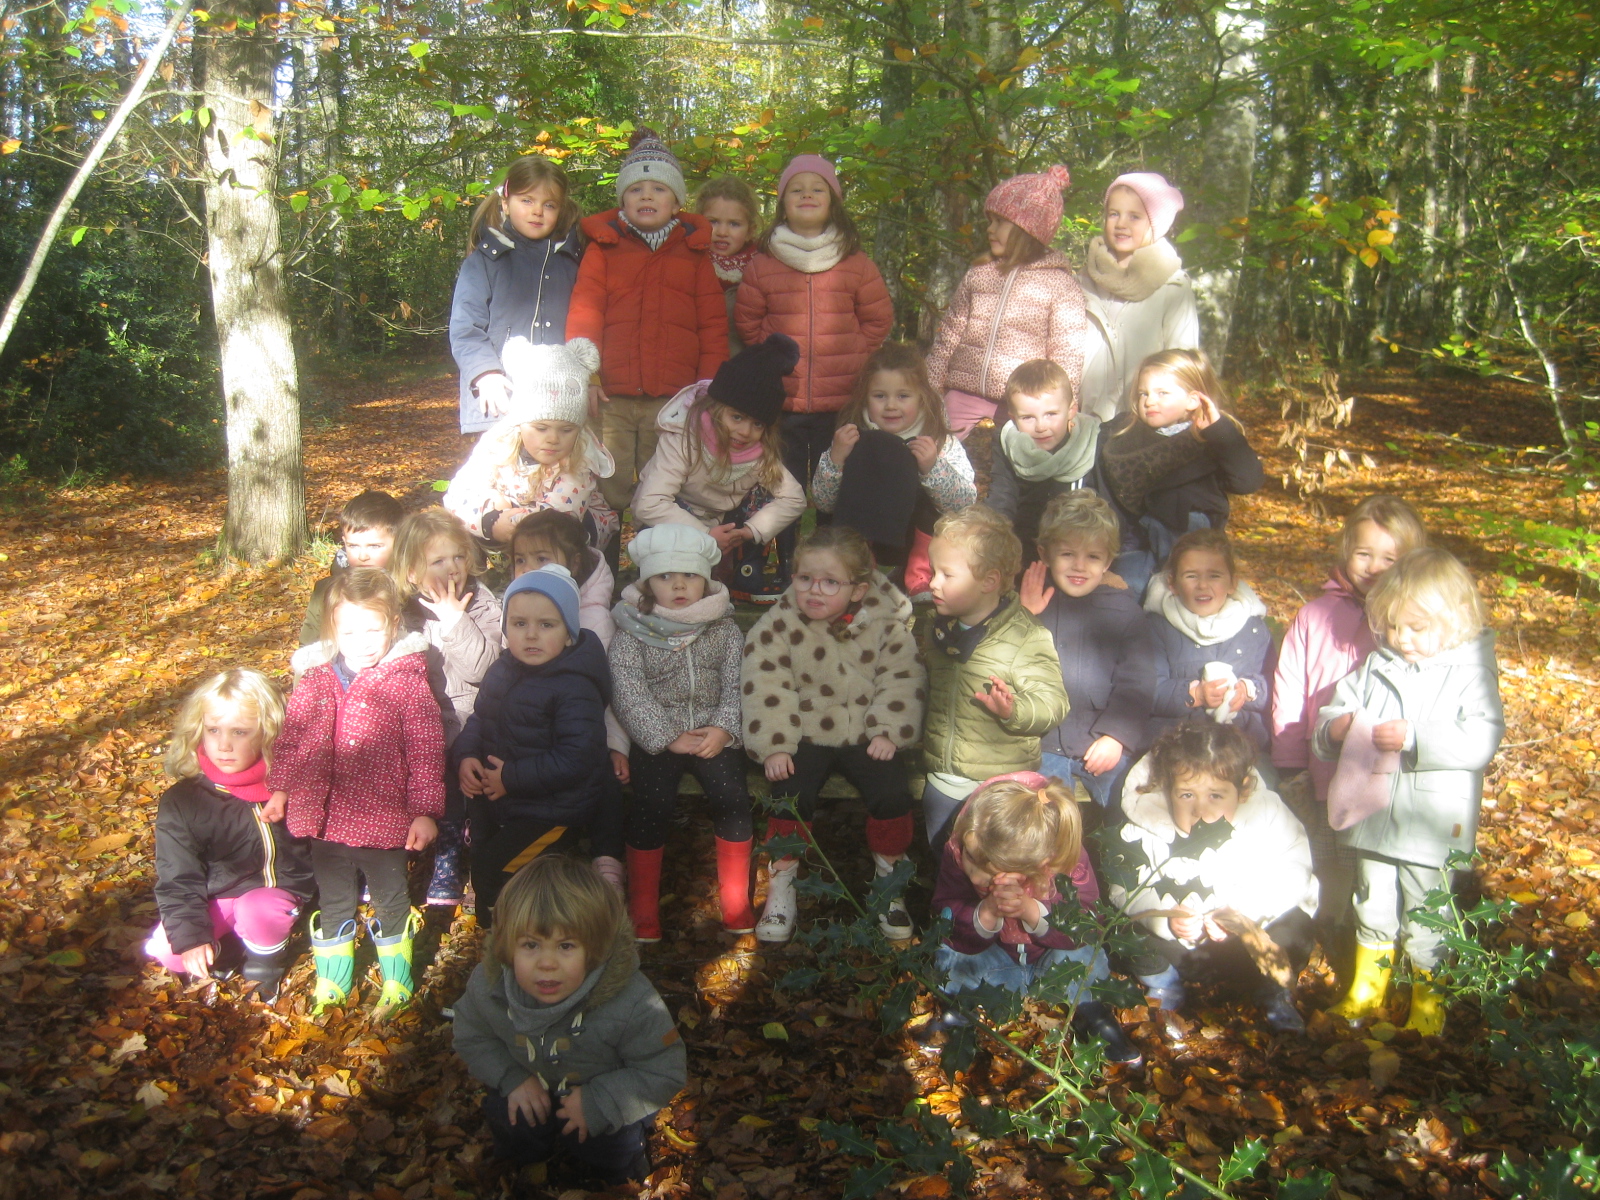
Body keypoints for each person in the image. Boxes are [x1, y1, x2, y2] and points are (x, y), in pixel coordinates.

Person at [1315, 548, 1504, 1036]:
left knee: (1427, 909)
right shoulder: (1379, 664)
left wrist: (1416, 736)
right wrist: (1335, 729)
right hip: (1375, 810)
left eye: (1416, 628)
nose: (1402, 639)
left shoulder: (1469, 670)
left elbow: (1481, 737)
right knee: (1371, 897)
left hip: (1431, 820)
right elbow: (1336, 709)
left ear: (1454, 618)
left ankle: (1427, 998)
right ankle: (1368, 987)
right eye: (1394, 627)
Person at [269, 568, 445, 1017]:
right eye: (349, 631)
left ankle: (397, 979)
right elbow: (292, 738)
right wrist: (282, 787)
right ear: (332, 629)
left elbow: (425, 749)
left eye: (373, 629)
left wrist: (425, 810)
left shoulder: (406, 680)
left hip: (383, 819)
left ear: (393, 625)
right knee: (334, 897)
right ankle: (333, 979)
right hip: (325, 817)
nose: (362, 642)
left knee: (390, 896)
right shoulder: (316, 678)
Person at [452, 855, 686, 1187]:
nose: (547, 963)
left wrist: (600, 1102)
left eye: (565, 946)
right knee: (512, 1119)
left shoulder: (630, 999)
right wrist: (511, 1077)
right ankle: (523, 1166)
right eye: (531, 945)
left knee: (609, 1149)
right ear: (507, 945)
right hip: (530, 1084)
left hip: (606, 1095)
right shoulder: (489, 986)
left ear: (594, 949)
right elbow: (472, 1034)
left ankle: (619, 1175)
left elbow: (664, 1069)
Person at [741, 526, 924, 944]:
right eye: (804, 578)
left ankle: (890, 885)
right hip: (804, 733)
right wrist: (775, 745)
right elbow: (765, 683)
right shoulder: (779, 624)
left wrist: (888, 731)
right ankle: (783, 883)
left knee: (891, 791)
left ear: (858, 590)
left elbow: (901, 677)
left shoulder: (885, 623)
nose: (813, 590)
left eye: (829, 582)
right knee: (790, 792)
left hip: (867, 732)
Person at [1272, 496, 1427, 940]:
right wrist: (1289, 758)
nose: (1374, 567)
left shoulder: (1413, 623)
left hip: (1387, 772)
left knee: (1378, 863)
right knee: (1328, 856)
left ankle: (1381, 934)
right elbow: (1289, 689)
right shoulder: (1315, 616)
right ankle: (1329, 928)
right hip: (1325, 766)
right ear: (1346, 552)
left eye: (1389, 558)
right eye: (1364, 554)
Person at [734, 154, 894, 568]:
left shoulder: (854, 262)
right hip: (783, 403)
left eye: (817, 188)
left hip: (839, 403)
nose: (807, 195)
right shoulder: (764, 262)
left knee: (832, 488)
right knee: (781, 487)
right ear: (782, 202)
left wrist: (855, 355)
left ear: (833, 200)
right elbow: (748, 320)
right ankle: (784, 567)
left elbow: (878, 319)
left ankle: (830, 566)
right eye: (796, 189)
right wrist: (773, 360)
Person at [1108, 723, 1319, 1034]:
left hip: (1245, 949)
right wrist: (1165, 918)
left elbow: (1294, 869)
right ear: (1167, 787)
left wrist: (1245, 914)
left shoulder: (1267, 813)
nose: (1200, 809)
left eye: (1216, 795)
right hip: (1179, 949)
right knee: (1118, 927)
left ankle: (1271, 993)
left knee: (1296, 925)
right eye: (1186, 794)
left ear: (1243, 789)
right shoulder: (1146, 819)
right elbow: (1123, 885)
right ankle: (1164, 984)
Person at [566, 127, 729, 525]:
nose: (647, 197)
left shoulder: (694, 255)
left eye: (658, 189)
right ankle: (603, 557)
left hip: (672, 400)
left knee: (661, 488)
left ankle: (652, 558)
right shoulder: (604, 249)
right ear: (622, 199)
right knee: (608, 484)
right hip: (612, 397)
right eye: (636, 189)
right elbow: (586, 312)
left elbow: (712, 325)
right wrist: (588, 375)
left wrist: (707, 385)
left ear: (676, 202)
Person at [931, 772, 1141, 1063]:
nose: (976, 876)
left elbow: (1087, 925)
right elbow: (945, 915)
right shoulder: (962, 844)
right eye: (970, 858)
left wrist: (1033, 912)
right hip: (996, 965)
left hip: (1055, 967)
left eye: (991, 873)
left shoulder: (1065, 861)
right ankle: (963, 1008)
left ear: (1038, 865)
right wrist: (985, 913)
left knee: (1084, 953)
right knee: (950, 953)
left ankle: (1090, 1010)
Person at [609, 524, 753, 941]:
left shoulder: (723, 628)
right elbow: (627, 690)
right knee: (650, 803)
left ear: (705, 580)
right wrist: (667, 735)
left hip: (712, 731)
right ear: (647, 583)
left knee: (732, 799)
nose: (678, 585)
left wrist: (724, 729)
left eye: (689, 575)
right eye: (665, 576)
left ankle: (736, 900)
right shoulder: (634, 629)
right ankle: (642, 906)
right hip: (659, 734)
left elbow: (738, 682)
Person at [455, 566, 611, 927]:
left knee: (496, 872)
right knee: (486, 864)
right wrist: (466, 756)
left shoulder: (574, 686)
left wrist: (511, 778)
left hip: (553, 811)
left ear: (569, 634)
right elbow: (481, 718)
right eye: (519, 623)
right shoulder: (503, 669)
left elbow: (578, 757)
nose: (531, 634)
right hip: (502, 801)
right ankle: (498, 938)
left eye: (546, 625)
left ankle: (513, 939)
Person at [146, 669, 313, 1003]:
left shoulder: (294, 784)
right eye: (213, 730)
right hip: (219, 896)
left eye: (239, 731)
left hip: (278, 892)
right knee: (169, 951)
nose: (223, 745)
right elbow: (177, 874)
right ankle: (229, 949)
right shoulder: (184, 800)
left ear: (268, 732)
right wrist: (192, 937)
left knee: (259, 907)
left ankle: (264, 967)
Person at [921, 505, 1069, 851]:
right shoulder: (937, 629)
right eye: (933, 572)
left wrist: (1014, 710)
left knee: (996, 869)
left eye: (947, 575)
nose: (932, 583)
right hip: (944, 781)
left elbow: (1054, 702)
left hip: (1002, 787)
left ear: (989, 581)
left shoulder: (1024, 636)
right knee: (947, 863)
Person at [391, 509, 503, 925]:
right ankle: (442, 849)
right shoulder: (404, 614)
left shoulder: (484, 603)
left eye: (458, 556)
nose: (452, 568)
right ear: (412, 571)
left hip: (475, 717)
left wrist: (456, 619)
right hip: (423, 721)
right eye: (438, 561)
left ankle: (469, 852)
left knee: (468, 776)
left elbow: (484, 668)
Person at [631, 335, 806, 600]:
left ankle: (746, 570)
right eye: (737, 417)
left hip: (722, 525)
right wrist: (705, 535)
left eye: (758, 424)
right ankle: (664, 575)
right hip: (674, 520)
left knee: (767, 490)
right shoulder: (683, 437)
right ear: (715, 409)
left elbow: (794, 498)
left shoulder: (759, 453)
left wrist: (750, 530)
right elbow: (650, 503)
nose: (745, 431)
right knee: (678, 575)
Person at [509, 510, 630, 890]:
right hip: (532, 729)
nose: (529, 569)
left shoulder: (594, 620)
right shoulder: (516, 608)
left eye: (542, 558)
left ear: (574, 563)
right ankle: (530, 857)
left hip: (583, 731)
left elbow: (609, 689)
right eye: (520, 559)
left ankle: (606, 858)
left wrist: (616, 744)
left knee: (603, 777)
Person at [925, 166, 1087, 440]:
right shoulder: (980, 274)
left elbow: (1067, 354)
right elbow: (949, 335)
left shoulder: (1060, 285)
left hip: (1025, 400)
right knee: (935, 449)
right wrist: (930, 384)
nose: (990, 229)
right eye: (990, 221)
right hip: (963, 391)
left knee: (1026, 459)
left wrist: (1064, 404)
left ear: (1027, 229)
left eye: (1000, 222)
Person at [1021, 491, 1154, 817]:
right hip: (1042, 744)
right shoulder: (1029, 601)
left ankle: (1120, 850)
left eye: (1093, 557)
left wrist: (1116, 736)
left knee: (1133, 807)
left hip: (1100, 740)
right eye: (1067, 554)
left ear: (1107, 562)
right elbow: (1005, 663)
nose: (1079, 566)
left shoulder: (1124, 612)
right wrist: (1024, 616)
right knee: (1046, 818)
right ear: (1045, 553)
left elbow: (1137, 683)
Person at [811, 343, 976, 596]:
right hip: (862, 536)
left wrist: (932, 467)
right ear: (865, 397)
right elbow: (823, 502)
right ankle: (854, 566)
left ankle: (921, 573)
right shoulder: (852, 436)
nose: (890, 406)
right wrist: (836, 459)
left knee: (933, 501)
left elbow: (964, 502)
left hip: (913, 537)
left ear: (921, 396)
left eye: (903, 396)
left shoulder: (938, 440)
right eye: (880, 396)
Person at [1098, 348, 1263, 597]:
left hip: (1192, 550)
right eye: (1143, 393)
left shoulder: (1209, 439)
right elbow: (1106, 497)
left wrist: (1220, 432)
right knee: (1123, 591)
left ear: (1192, 400)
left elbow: (1248, 481)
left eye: (1162, 393)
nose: (1149, 401)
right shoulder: (1124, 435)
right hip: (1135, 545)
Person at [450, 156, 584, 435]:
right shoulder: (484, 262)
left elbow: (586, 326)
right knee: (504, 465)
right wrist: (485, 373)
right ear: (505, 203)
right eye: (527, 200)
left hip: (558, 407)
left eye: (549, 205)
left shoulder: (573, 263)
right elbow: (465, 328)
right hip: (500, 400)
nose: (537, 211)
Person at [443, 337, 617, 551]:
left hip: (570, 534)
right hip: (513, 521)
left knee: (562, 535)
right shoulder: (498, 443)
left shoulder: (580, 460)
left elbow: (557, 514)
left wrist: (510, 521)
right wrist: (490, 518)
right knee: (465, 524)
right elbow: (460, 491)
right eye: (541, 428)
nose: (553, 438)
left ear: (579, 430)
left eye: (566, 430)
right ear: (519, 423)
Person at [1077, 172, 1200, 422]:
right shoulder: (1084, 280)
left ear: (1155, 224)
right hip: (1085, 418)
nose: (1121, 224)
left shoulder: (1173, 287)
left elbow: (1182, 361)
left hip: (1145, 421)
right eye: (1114, 214)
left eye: (1135, 216)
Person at [1144, 528, 1273, 753]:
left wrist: (1247, 690)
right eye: (1191, 576)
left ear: (1232, 583)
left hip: (1241, 744)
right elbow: (1145, 689)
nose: (1203, 585)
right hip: (1176, 744)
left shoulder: (1253, 628)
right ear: (1173, 583)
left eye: (1214, 575)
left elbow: (1274, 683)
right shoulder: (1157, 627)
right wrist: (1195, 694)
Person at [988, 358, 1104, 561]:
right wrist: (995, 541)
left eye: (1051, 414)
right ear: (1013, 418)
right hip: (1024, 540)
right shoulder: (1009, 443)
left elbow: (1104, 509)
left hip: (1077, 547)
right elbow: (1002, 497)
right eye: (1028, 417)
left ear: (1071, 411)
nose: (1041, 426)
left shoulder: (1090, 442)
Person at [299, 490, 403, 646]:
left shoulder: (411, 590)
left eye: (374, 546)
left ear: (399, 543)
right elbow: (309, 648)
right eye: (353, 546)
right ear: (344, 542)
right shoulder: (326, 592)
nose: (362, 556)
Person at [696, 176, 761, 353]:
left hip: (740, 362)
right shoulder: (688, 263)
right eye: (713, 221)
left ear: (750, 231)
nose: (722, 232)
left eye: (734, 224)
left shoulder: (760, 270)